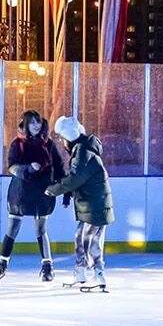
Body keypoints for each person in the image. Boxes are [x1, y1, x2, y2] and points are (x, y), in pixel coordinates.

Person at [0, 110, 67, 281]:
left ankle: (47, 267)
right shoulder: (17, 144)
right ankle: (2, 265)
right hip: (20, 193)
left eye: (38, 122)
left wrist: (64, 189)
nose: (36, 125)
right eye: (32, 122)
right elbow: (12, 166)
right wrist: (27, 169)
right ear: (26, 124)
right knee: (12, 229)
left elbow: (59, 166)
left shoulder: (48, 144)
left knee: (41, 229)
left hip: (42, 192)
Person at [46, 115, 114, 293]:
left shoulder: (84, 151)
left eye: (62, 138)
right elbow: (77, 177)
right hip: (90, 203)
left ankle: (98, 275)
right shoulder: (82, 149)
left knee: (91, 240)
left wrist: (53, 189)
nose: (61, 142)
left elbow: (76, 178)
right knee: (80, 237)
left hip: (95, 205)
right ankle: (81, 272)